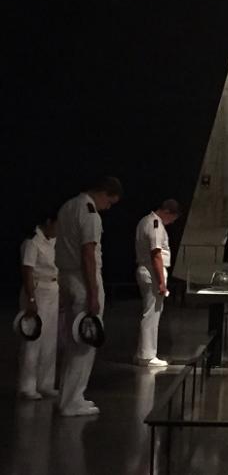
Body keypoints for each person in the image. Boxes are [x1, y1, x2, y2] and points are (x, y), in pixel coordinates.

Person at [55, 176, 122, 417]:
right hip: (83, 279)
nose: (108, 207)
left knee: (73, 340)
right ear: (104, 192)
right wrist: (93, 292)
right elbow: (88, 254)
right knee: (86, 340)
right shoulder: (90, 213)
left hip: (65, 275)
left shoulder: (68, 206)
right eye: (110, 202)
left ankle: (67, 397)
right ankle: (73, 400)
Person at [17, 213, 59, 400]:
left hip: (53, 288)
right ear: (49, 221)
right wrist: (31, 300)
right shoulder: (32, 242)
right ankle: (27, 386)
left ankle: (45, 383)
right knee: (33, 338)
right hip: (37, 289)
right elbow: (27, 271)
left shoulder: (55, 241)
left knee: (50, 339)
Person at [134, 199, 180, 367]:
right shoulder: (155, 225)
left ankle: (142, 352)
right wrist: (161, 281)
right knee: (152, 315)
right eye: (172, 218)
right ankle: (147, 355)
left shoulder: (145, 221)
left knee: (150, 313)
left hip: (148, 270)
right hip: (152, 272)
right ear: (167, 212)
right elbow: (156, 254)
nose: (172, 222)